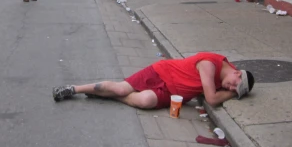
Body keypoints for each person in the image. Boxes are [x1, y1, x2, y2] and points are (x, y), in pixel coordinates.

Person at [52, 52, 254, 108]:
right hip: (161, 72)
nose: (230, 88)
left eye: (233, 91)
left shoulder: (227, 76)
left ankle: (106, 96)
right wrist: (229, 94)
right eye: (233, 85)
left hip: (173, 94)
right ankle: (74, 89)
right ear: (236, 72)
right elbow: (211, 99)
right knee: (122, 88)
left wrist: (233, 90)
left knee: (145, 101)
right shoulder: (210, 64)